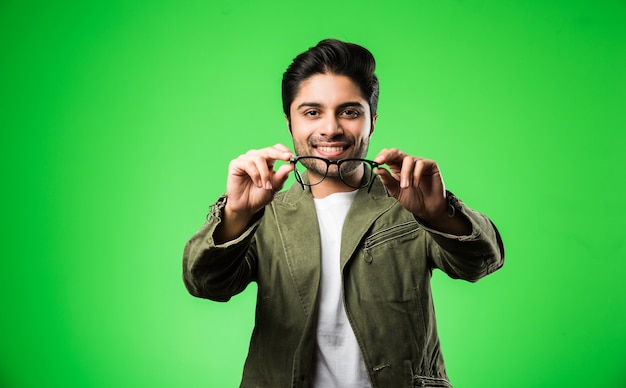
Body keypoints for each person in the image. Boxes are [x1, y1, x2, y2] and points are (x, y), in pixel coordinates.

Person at [182, 38, 504, 388]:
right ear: (290, 123)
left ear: (372, 122)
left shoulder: (410, 202)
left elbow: (481, 263)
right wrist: (236, 215)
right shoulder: (264, 212)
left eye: (349, 112)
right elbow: (206, 285)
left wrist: (440, 213)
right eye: (312, 112)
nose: (331, 128)